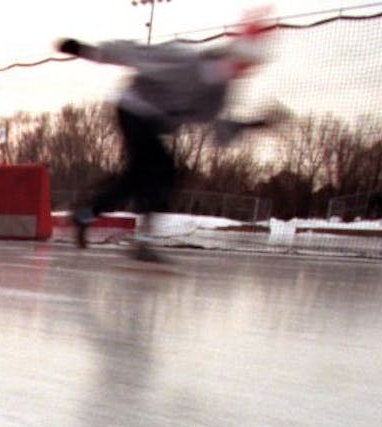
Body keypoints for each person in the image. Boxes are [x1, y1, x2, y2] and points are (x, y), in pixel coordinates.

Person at [58, 25, 280, 263]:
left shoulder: (218, 93)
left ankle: (85, 214)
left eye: (247, 69)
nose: (242, 73)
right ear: (232, 57)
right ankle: (137, 240)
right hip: (133, 108)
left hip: (153, 123)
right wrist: (84, 50)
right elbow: (133, 53)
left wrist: (252, 125)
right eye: (242, 65)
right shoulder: (183, 59)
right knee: (160, 171)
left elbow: (219, 128)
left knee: (140, 177)